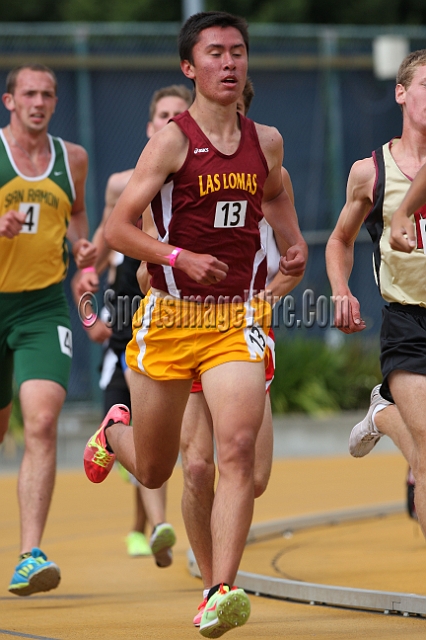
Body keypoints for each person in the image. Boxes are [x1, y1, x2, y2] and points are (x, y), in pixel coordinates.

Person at [83, 11, 307, 637]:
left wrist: (294, 250)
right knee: (156, 469)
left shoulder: (267, 141)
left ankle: (219, 588)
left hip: (234, 317)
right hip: (170, 320)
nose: (229, 63)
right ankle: (113, 430)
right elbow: (117, 230)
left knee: (233, 451)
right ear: (190, 67)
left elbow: (278, 199)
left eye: (238, 52)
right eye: (215, 54)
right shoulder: (172, 141)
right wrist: (178, 258)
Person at [179, 78, 303, 627]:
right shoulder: (179, 175)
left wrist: (264, 298)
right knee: (197, 465)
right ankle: (214, 587)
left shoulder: (270, 178)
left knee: (251, 477)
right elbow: (140, 265)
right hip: (185, 325)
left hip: (246, 330)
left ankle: (216, 584)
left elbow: (291, 261)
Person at [74, 84, 193, 564]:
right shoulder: (126, 185)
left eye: (177, 114)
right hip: (130, 324)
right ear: (149, 125)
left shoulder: (205, 179)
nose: (169, 121)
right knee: (144, 431)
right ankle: (160, 525)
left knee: (159, 441)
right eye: (161, 114)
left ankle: (145, 524)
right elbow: (90, 263)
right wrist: (90, 318)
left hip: (188, 321)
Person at [0, 64, 95, 596]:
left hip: (41, 308)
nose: (39, 101)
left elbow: (78, 214)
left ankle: (28, 556)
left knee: (40, 422)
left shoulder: (71, 159)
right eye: (28, 93)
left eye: (48, 94)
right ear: (9, 100)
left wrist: (82, 255)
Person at [325, 49, 426, 531]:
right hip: (408, 322)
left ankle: (382, 414)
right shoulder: (371, 173)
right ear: (401, 93)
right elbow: (339, 241)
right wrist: (342, 290)